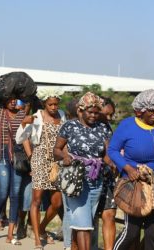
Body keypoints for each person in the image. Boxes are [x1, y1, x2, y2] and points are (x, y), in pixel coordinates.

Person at [108, 89, 154, 250]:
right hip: (135, 184)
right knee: (131, 232)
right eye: (152, 110)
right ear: (140, 111)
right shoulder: (127, 125)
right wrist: (128, 168)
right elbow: (113, 150)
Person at [53, 92, 111, 250]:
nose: (93, 115)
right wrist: (65, 157)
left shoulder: (103, 128)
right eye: (90, 112)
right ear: (81, 110)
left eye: (96, 113)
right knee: (83, 225)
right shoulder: (70, 126)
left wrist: (114, 164)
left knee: (83, 223)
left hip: (96, 182)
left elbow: (107, 155)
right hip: (76, 181)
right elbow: (56, 150)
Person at [16, 88, 66, 249]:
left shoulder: (62, 115)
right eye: (50, 104)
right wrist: (24, 124)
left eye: (56, 104)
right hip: (39, 160)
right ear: (44, 104)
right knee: (36, 200)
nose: (53, 107)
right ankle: (38, 238)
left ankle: (42, 227)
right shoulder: (37, 116)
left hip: (57, 163)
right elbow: (20, 139)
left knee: (57, 203)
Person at [0, 93, 26, 245]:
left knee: (15, 195)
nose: (13, 102)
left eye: (15, 99)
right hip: (1, 154)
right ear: (4, 100)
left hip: (18, 156)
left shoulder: (22, 113)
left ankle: (10, 234)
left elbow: (26, 135)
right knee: (2, 191)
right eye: (10, 99)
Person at [93, 97, 117, 250]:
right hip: (91, 177)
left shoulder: (108, 128)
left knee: (109, 215)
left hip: (108, 178)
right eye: (106, 114)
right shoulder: (86, 127)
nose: (109, 118)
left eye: (111, 115)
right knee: (91, 217)